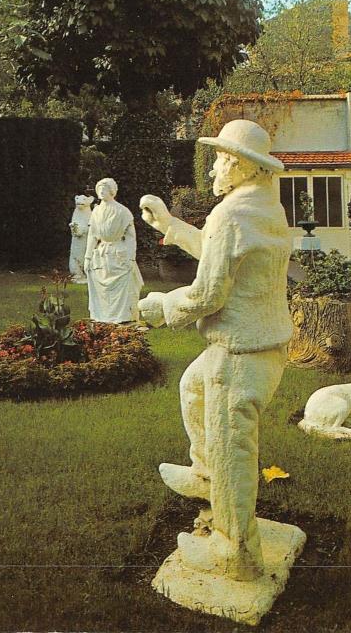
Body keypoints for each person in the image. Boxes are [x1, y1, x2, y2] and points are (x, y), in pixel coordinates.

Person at [139, 119, 292, 581]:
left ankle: (233, 554)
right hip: (261, 343)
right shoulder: (263, 205)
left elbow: (207, 296)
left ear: (242, 166)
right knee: (192, 387)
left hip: (240, 352)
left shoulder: (233, 214)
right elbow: (218, 249)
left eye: (220, 161)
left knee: (233, 450)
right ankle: (207, 476)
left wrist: (160, 306)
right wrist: (169, 225)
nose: (212, 171)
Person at [84, 177, 143, 323]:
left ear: (112, 191)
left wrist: (130, 257)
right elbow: (92, 235)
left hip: (118, 252)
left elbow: (130, 237)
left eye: (104, 188)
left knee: (124, 285)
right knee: (101, 287)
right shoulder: (96, 212)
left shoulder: (122, 211)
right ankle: (102, 316)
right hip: (102, 252)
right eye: (99, 189)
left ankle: (123, 316)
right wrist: (87, 257)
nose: (102, 191)